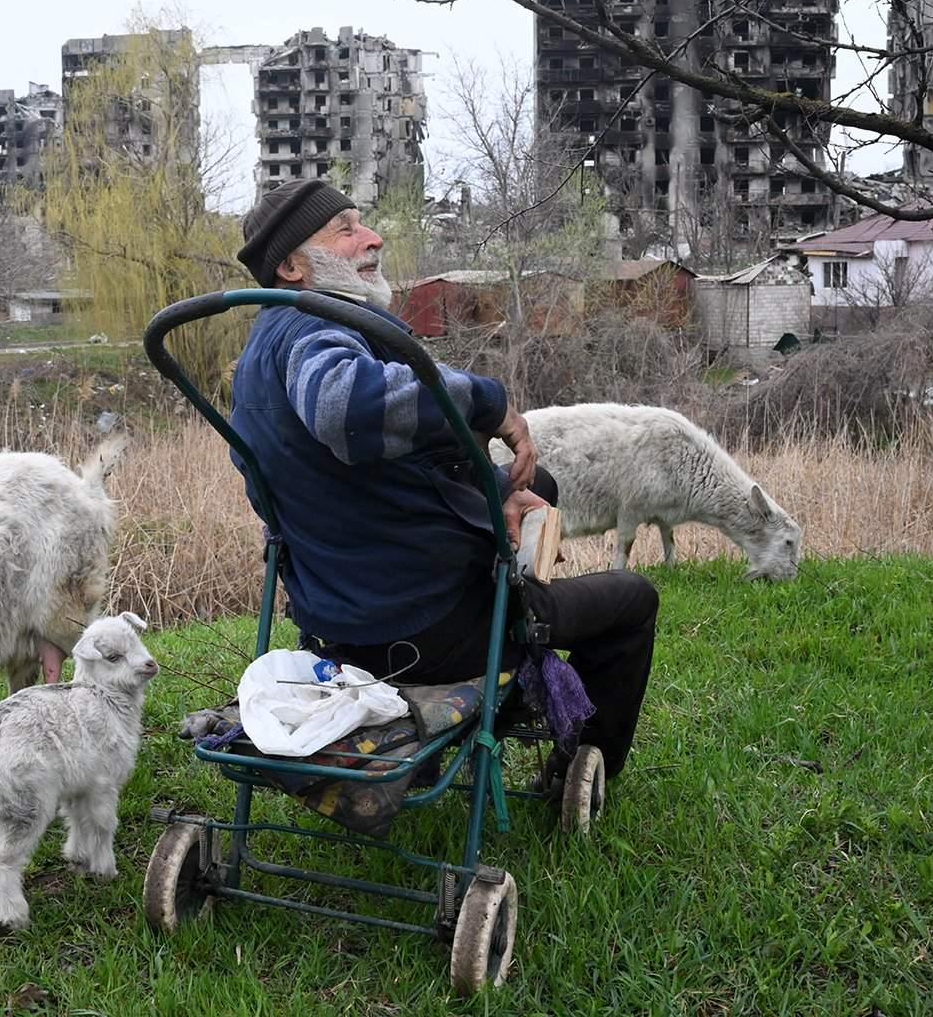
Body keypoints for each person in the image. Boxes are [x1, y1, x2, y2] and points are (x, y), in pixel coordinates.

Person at [227, 178, 659, 788]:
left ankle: (515, 610)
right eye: (347, 229)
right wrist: (489, 402)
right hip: (425, 633)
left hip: (334, 629)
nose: (374, 238)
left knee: (540, 487)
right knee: (632, 601)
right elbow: (345, 409)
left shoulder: (258, 359)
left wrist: (489, 483)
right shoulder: (312, 332)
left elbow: (355, 475)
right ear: (293, 265)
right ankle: (573, 768)